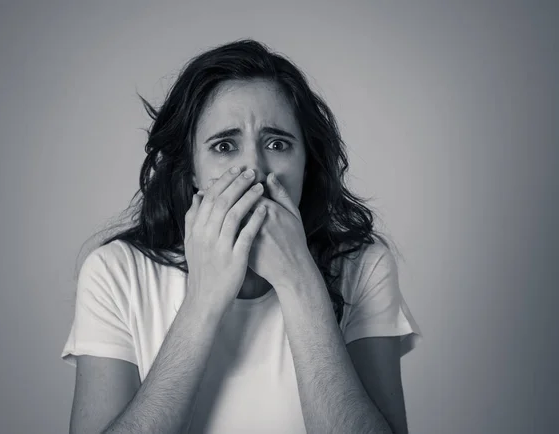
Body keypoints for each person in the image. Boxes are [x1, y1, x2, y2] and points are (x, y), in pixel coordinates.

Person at [61, 39, 422, 434]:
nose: (254, 167)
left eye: (277, 143)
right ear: (193, 170)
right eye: (224, 146)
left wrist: (300, 282)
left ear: (306, 164)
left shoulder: (363, 265)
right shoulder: (115, 274)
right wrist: (203, 299)